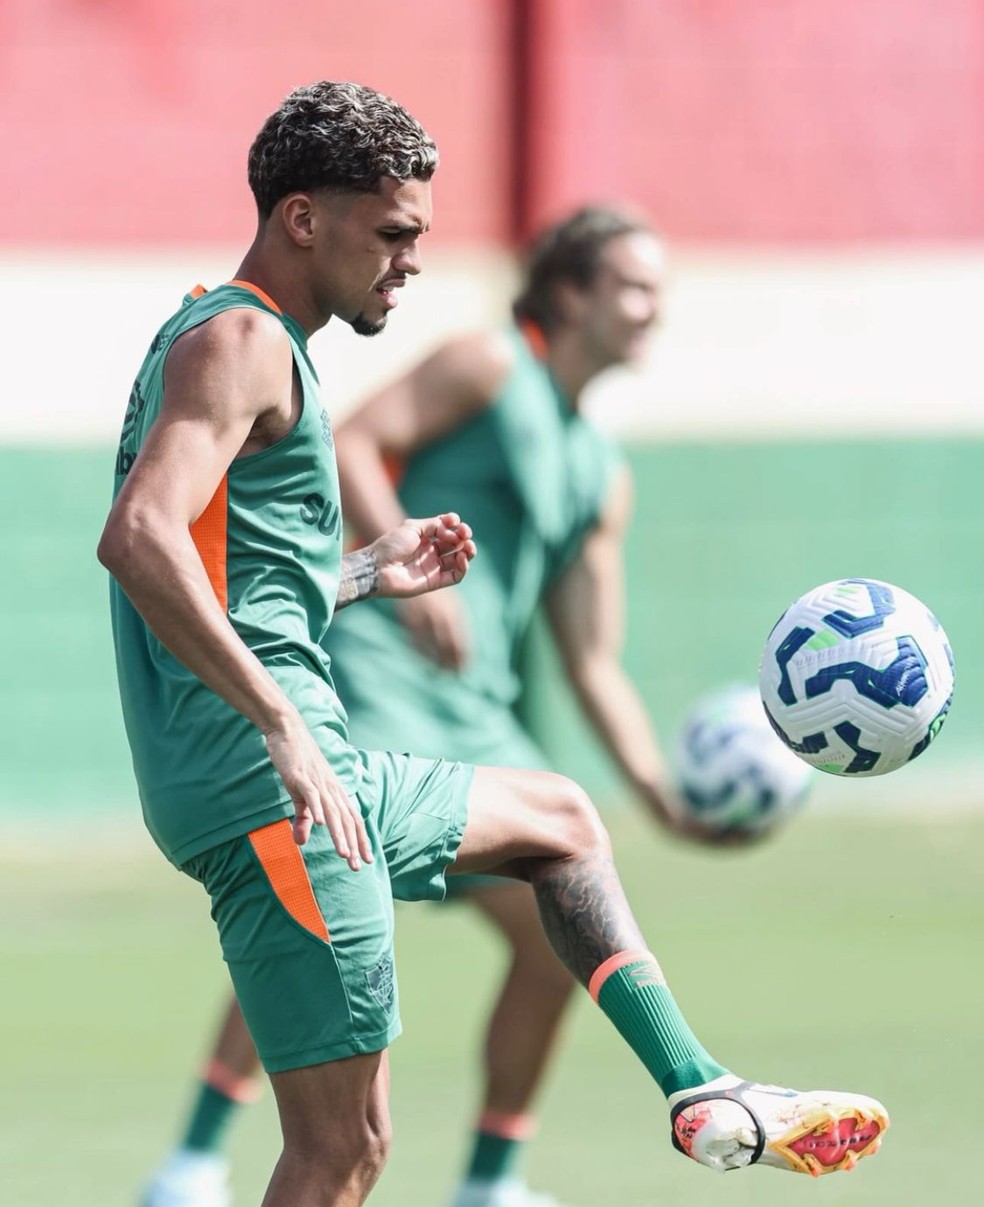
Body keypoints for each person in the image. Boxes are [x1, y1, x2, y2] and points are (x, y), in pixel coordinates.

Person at [102, 80, 889, 1207]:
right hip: (270, 781)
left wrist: (370, 573)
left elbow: (237, 578)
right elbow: (137, 535)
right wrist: (280, 720)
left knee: (563, 822)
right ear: (303, 219)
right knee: (339, 1152)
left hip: (280, 772)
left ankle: (704, 1087)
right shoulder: (240, 338)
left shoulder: (244, 339)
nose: (411, 260)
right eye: (393, 234)